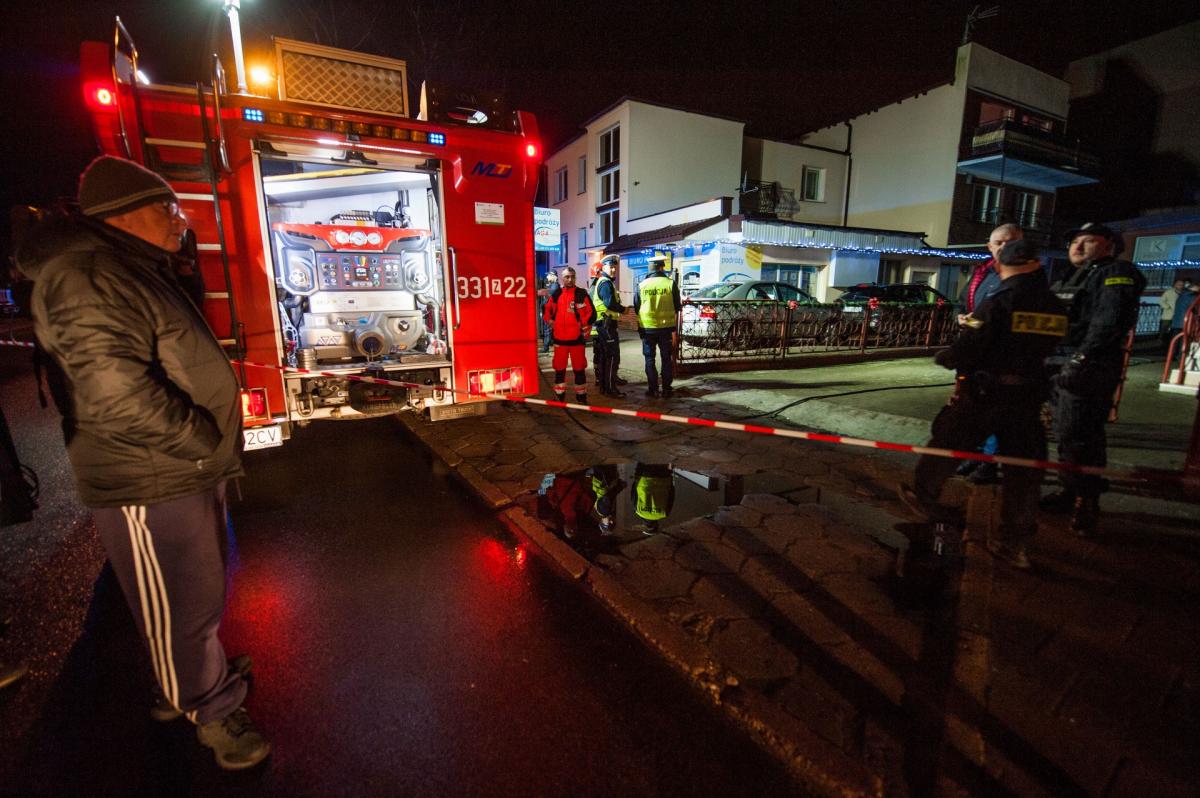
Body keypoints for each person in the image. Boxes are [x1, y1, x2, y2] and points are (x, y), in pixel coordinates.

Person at [16, 155, 270, 770]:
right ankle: (207, 712)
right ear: (127, 214)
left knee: (195, 597)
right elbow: (117, 392)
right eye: (170, 208)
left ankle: (183, 680)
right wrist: (203, 439)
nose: (181, 219)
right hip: (150, 472)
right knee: (178, 602)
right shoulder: (88, 276)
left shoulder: (120, 267)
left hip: (172, 468)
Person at [898, 240, 1068, 569]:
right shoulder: (1054, 305)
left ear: (1001, 267)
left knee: (947, 443)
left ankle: (924, 496)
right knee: (1024, 472)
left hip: (987, 395)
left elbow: (969, 344)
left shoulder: (997, 302)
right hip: (1029, 399)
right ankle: (1014, 543)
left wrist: (945, 357)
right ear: (1036, 265)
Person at [1043, 223, 1146, 537]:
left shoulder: (1115, 273)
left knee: (1082, 433)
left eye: (1087, 241)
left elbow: (1109, 322)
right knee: (1064, 432)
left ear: (1108, 245)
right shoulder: (1070, 276)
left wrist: (1080, 359)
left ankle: (1087, 501)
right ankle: (1069, 490)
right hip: (1059, 362)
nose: (1077, 246)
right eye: (1074, 240)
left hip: (1089, 366)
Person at [955, 223, 1023, 484]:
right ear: (990, 246)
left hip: (1002, 357)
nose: (1004, 247)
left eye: (1011, 242)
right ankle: (975, 456)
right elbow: (961, 305)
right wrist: (960, 318)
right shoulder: (981, 273)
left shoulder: (1023, 276)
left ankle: (989, 463)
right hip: (975, 354)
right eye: (999, 243)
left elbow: (1002, 322)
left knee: (996, 412)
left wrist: (972, 323)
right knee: (973, 409)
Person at [542, 266, 595, 404]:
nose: (570, 279)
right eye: (567, 277)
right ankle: (559, 397)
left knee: (579, 370)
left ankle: (581, 398)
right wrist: (550, 321)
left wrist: (581, 326)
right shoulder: (557, 293)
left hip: (577, 340)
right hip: (560, 340)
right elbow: (546, 309)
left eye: (572, 276)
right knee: (559, 369)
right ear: (562, 278)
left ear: (575, 277)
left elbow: (592, 314)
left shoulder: (581, 294)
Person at [633, 254, 682, 399]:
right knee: (666, 358)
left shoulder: (641, 285)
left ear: (650, 269)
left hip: (647, 329)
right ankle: (667, 388)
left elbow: (636, 307)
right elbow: (677, 306)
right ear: (661, 267)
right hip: (666, 328)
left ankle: (653, 389)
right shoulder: (670, 284)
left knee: (649, 358)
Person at [591, 255, 626, 397]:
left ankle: (605, 388)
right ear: (603, 267)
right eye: (610, 267)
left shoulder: (605, 282)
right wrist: (623, 309)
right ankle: (611, 389)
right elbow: (609, 303)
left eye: (614, 267)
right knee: (612, 357)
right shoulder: (605, 283)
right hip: (606, 325)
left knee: (606, 357)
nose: (613, 270)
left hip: (604, 325)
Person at [632, 463, 675, 536]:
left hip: (663, 477)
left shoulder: (664, 513)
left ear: (656, 525)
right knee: (645, 455)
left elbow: (671, 494)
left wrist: (670, 474)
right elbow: (634, 492)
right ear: (644, 525)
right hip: (644, 476)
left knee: (662, 455)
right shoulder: (638, 510)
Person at [1158, 279, 1183, 348]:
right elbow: (1161, 301)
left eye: (1181, 285)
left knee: (1173, 330)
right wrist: (1168, 307)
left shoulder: (1183, 293)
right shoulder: (1169, 292)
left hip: (1178, 316)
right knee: (1164, 329)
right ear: (1175, 285)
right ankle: (1161, 342)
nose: (1180, 286)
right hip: (1168, 315)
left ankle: (1170, 344)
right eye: (1179, 284)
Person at [538, 270, 558, 353]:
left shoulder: (554, 286)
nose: (547, 277)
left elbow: (548, 299)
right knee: (549, 330)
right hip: (550, 312)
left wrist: (541, 292)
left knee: (547, 330)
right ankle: (548, 346)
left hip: (550, 312)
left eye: (549, 275)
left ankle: (546, 347)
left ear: (553, 276)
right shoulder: (552, 286)